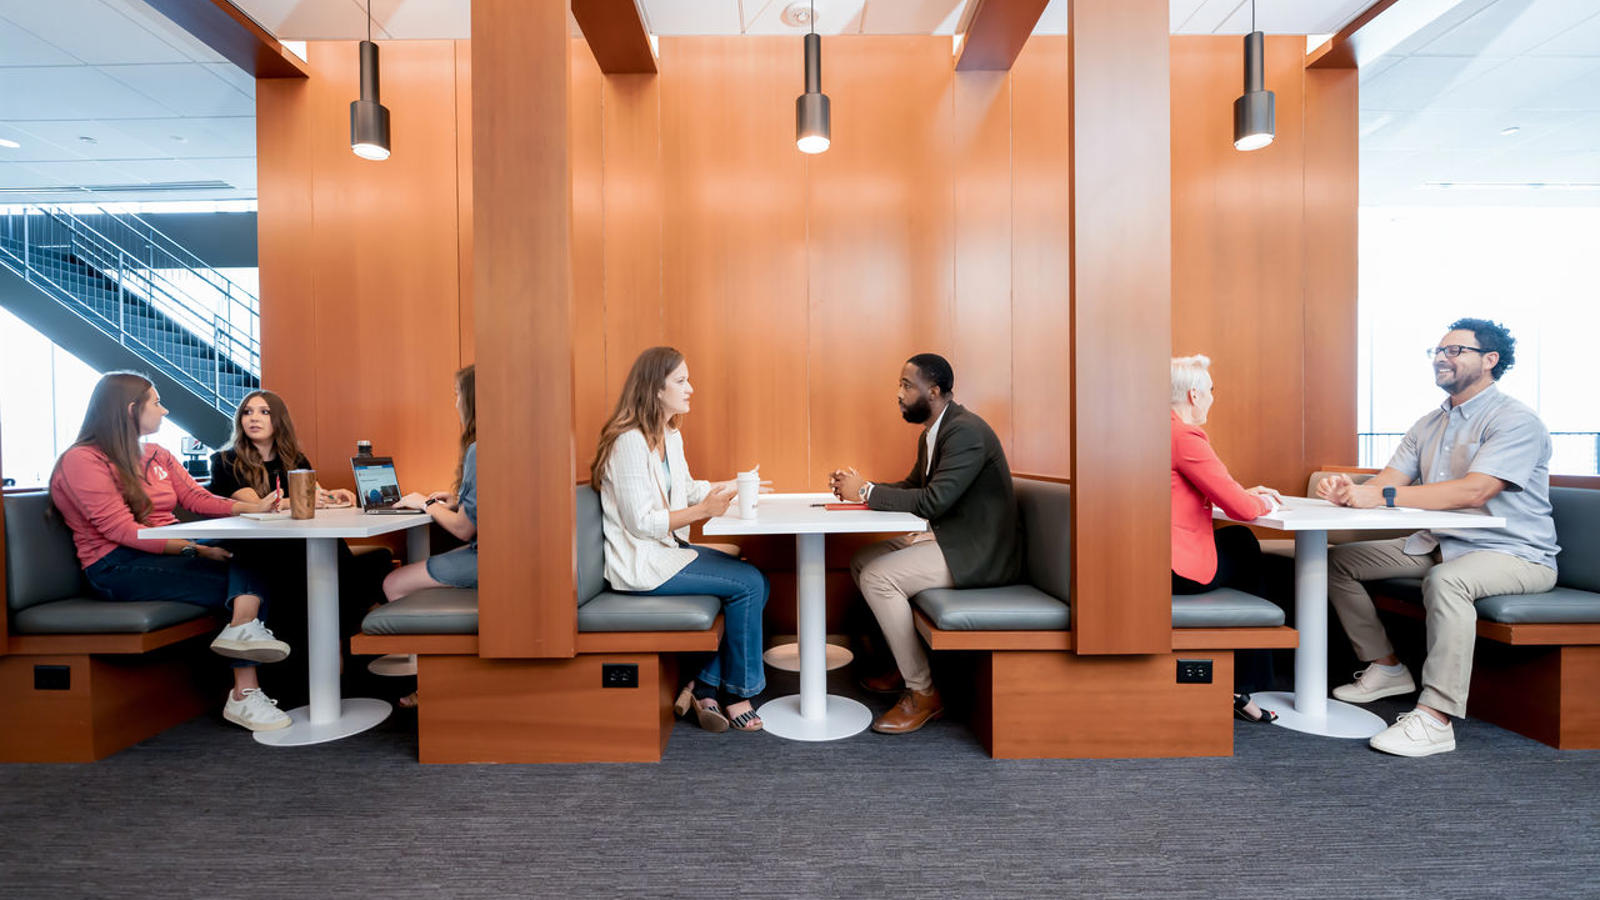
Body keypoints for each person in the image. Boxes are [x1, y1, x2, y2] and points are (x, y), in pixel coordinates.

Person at [1319, 318, 1558, 758]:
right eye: (1438, 350)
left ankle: (1436, 718)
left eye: (1455, 351)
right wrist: (1351, 491)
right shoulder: (1429, 423)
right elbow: (1388, 480)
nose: (1441, 358)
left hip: (1515, 554)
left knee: (1447, 581)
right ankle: (1386, 666)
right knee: (1338, 562)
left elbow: (1476, 490)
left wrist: (1381, 497)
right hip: (1443, 543)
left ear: (1490, 360)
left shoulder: (1516, 421)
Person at [48, 372, 289, 732]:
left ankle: (243, 634)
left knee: (257, 551)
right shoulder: (83, 460)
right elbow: (120, 531)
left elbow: (196, 498)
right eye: (156, 402)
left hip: (167, 550)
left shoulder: (157, 454)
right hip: (117, 566)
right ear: (131, 410)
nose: (164, 410)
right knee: (247, 584)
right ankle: (244, 691)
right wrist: (193, 549)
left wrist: (253, 509)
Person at [832, 353, 1022, 735]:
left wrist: (867, 491)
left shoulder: (965, 431)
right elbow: (915, 488)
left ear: (933, 391)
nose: (898, 394)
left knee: (877, 578)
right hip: (952, 541)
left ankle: (923, 692)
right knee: (862, 560)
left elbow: (933, 501)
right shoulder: (935, 432)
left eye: (906, 386)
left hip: (977, 553)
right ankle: (903, 665)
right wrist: (861, 489)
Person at [593, 346, 768, 733]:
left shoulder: (669, 435)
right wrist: (705, 510)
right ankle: (736, 691)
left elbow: (687, 489)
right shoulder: (628, 443)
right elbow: (640, 522)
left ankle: (704, 686)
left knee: (749, 577)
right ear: (656, 388)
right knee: (750, 584)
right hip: (641, 563)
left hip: (667, 552)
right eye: (682, 381)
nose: (691, 388)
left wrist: (735, 486)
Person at [207, 390, 389, 701]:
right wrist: (308, 499)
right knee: (326, 558)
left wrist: (334, 496)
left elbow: (315, 495)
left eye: (263, 412)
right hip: (255, 546)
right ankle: (358, 633)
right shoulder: (225, 460)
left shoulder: (294, 459)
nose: (253, 418)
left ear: (278, 420)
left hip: (291, 543)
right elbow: (255, 505)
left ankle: (346, 643)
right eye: (248, 412)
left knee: (340, 551)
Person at [1169, 354, 1284, 723]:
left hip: (1146, 559)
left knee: (1238, 542)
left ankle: (1242, 683)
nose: (1212, 399)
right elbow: (1243, 509)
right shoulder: (1185, 436)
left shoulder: (1154, 429)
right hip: (1174, 570)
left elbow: (1189, 489)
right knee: (1243, 541)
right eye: (1210, 391)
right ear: (1193, 395)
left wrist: (1243, 493)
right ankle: (1244, 684)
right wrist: (1262, 500)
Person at [379, 365, 479, 708]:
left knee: (394, 584)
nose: (455, 404)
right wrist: (454, 501)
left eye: (457, 395)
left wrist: (424, 504)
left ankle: (431, 684)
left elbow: (465, 530)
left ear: (472, 400)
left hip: (487, 558)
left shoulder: (479, 449)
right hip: (507, 554)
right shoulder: (503, 441)